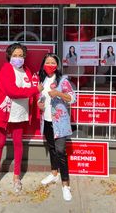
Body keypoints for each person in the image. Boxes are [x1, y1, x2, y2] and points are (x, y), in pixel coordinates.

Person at [0, 43, 43, 194]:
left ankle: (16, 176)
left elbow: (34, 86)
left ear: (25, 57)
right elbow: (12, 91)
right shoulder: (6, 69)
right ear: (9, 56)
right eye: (15, 55)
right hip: (6, 114)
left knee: (18, 143)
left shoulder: (27, 70)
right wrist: (34, 90)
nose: (18, 58)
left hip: (19, 114)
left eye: (21, 55)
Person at [37, 53, 76, 201]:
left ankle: (66, 185)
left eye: (53, 62)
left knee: (60, 152)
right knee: (52, 149)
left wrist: (58, 93)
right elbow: (42, 99)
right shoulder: (42, 80)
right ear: (43, 65)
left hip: (59, 122)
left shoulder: (63, 81)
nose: (50, 65)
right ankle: (54, 173)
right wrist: (39, 104)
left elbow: (73, 98)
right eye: (47, 62)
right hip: (46, 120)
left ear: (57, 66)